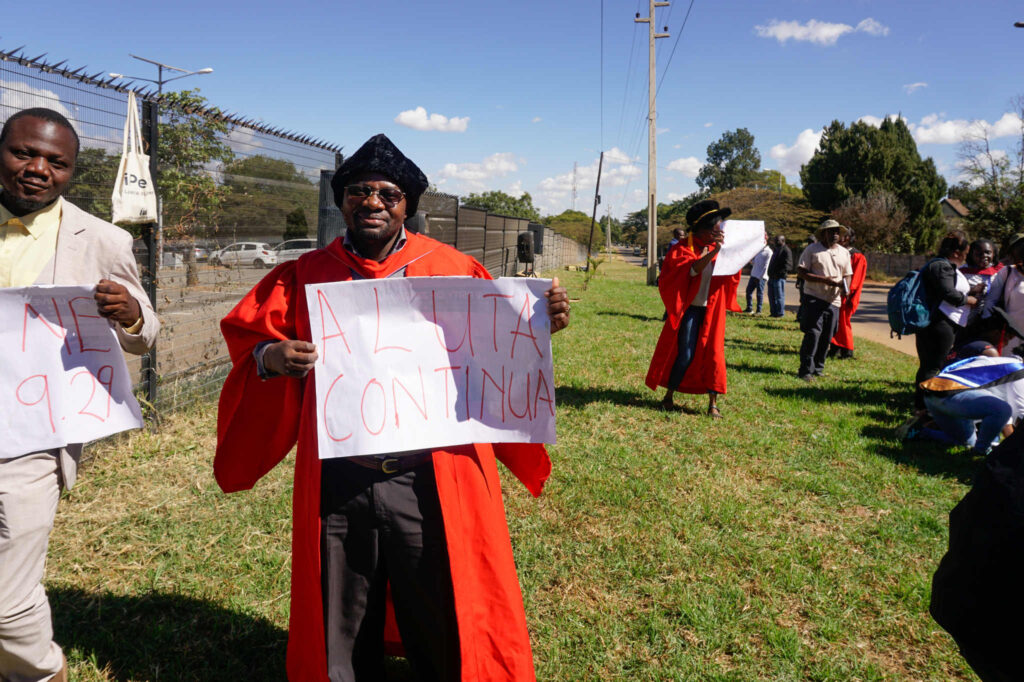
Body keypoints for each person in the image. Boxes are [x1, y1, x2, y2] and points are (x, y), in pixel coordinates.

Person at [215, 134, 570, 682]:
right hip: (340, 472)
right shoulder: (305, 273)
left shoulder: (454, 269)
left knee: (442, 600)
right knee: (342, 606)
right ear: (342, 202)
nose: (372, 202)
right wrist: (270, 357)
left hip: (432, 470)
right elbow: (250, 340)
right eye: (358, 191)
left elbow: (498, 344)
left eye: (388, 193)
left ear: (408, 205)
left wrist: (539, 322)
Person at [0, 108, 158, 682]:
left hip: (33, 436)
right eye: (23, 153)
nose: (38, 168)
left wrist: (131, 313)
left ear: (70, 171)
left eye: (56, 161)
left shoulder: (103, 240)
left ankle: (40, 671)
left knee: (6, 599)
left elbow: (146, 332)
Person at [645, 199, 732, 418]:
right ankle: (669, 396)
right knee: (685, 354)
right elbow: (692, 270)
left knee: (714, 354)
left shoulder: (720, 247)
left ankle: (713, 404)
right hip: (691, 310)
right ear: (702, 229)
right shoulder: (682, 249)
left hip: (712, 309)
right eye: (715, 229)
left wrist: (756, 243)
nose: (718, 232)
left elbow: (736, 263)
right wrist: (713, 252)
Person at [913, 231, 983, 412]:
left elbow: (947, 290)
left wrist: (971, 291)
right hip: (938, 324)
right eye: (965, 253)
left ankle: (923, 406)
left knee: (930, 365)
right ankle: (923, 408)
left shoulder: (944, 266)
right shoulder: (941, 266)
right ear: (956, 252)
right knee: (932, 367)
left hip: (939, 322)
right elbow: (948, 293)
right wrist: (969, 300)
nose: (966, 257)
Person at [913, 355, 1024, 456]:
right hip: (949, 396)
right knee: (1002, 410)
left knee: (968, 443)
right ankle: (981, 451)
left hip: (935, 397)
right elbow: (1019, 418)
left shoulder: (1006, 362)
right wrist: (1015, 451)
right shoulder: (1019, 372)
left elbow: (1006, 421)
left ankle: (920, 431)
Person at [796, 219, 853, 381]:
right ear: (824, 233)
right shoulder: (812, 249)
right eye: (831, 231)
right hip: (814, 297)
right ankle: (805, 370)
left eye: (837, 232)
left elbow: (847, 274)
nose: (835, 234)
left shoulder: (844, 252)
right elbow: (801, 272)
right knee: (813, 334)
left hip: (833, 301)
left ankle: (818, 368)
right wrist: (824, 280)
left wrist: (846, 288)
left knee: (828, 335)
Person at [828, 228, 868, 359]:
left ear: (848, 238)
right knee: (835, 321)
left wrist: (847, 292)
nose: (839, 237)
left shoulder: (857, 256)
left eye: (842, 235)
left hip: (847, 295)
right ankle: (835, 348)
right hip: (835, 292)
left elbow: (855, 279)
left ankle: (847, 350)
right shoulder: (838, 252)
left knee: (844, 322)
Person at [960, 238, 1001, 328]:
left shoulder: (999, 272)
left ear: (994, 254)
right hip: (966, 320)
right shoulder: (962, 273)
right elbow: (954, 295)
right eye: (979, 253)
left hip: (990, 321)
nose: (984, 256)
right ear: (971, 254)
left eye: (988, 252)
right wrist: (972, 291)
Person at [744, 235, 772, 314]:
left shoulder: (769, 252)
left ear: (766, 241)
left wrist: (760, 277)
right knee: (748, 291)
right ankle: (749, 308)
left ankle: (759, 310)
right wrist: (750, 261)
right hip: (753, 274)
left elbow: (766, 266)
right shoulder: (758, 250)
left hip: (761, 277)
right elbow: (755, 262)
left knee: (759, 294)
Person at [766, 234, 792, 317]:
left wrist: (779, 274)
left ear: (783, 241)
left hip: (779, 278)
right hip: (771, 277)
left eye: (777, 240)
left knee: (779, 296)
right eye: (775, 240)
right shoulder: (776, 250)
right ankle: (773, 312)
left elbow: (788, 266)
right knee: (771, 296)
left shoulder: (786, 250)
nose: (775, 242)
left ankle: (780, 313)